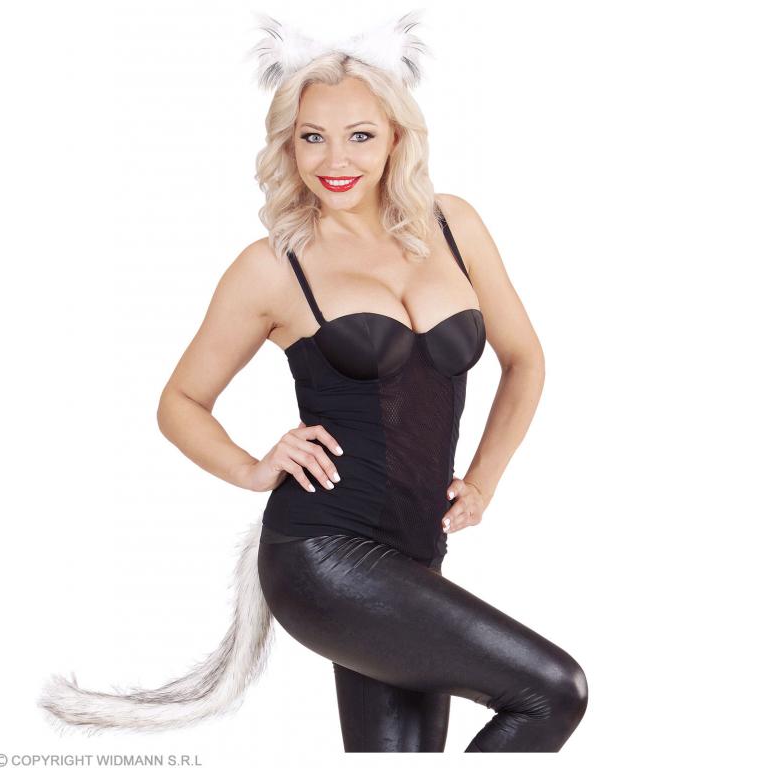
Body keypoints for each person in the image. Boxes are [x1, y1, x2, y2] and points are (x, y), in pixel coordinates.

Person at [38, 11, 587, 752]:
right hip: (323, 556)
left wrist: (484, 481)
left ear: (396, 137)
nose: (335, 159)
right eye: (311, 137)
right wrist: (252, 467)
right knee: (552, 691)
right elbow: (180, 403)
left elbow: (525, 360)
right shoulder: (273, 266)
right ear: (287, 145)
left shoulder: (453, 226)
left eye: (360, 135)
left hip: (417, 551)